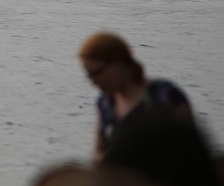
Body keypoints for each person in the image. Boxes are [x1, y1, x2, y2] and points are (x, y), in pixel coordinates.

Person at [78, 32, 193, 162]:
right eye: (89, 76)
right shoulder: (105, 104)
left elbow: (192, 151)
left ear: (119, 62)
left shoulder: (165, 96)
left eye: (97, 72)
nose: (94, 81)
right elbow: (99, 153)